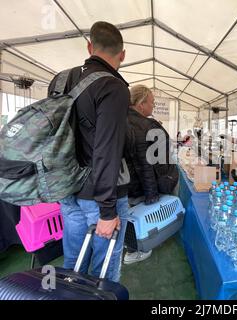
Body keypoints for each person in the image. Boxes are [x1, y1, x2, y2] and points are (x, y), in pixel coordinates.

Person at [47, 21, 130, 283]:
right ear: (123, 54)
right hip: (99, 194)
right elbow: (106, 150)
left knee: (73, 262)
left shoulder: (60, 80)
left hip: (66, 189)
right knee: (103, 269)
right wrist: (108, 211)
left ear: (89, 46)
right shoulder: (113, 87)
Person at [124, 84, 179, 264]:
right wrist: (152, 194)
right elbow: (145, 164)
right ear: (141, 104)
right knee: (140, 220)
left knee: (129, 215)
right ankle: (137, 250)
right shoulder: (145, 126)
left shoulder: (121, 119)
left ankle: (130, 245)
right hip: (140, 185)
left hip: (125, 183)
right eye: (152, 103)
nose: (153, 107)